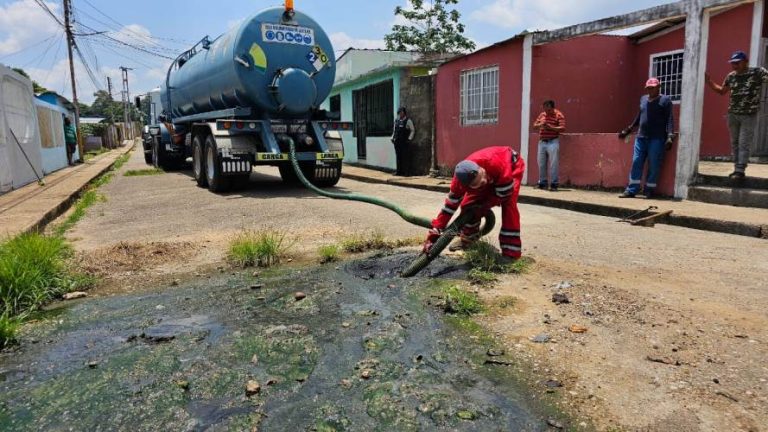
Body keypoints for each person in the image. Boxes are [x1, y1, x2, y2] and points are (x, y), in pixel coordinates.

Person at [423, 146, 526, 262]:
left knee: (509, 205)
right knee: (467, 206)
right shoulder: (458, 185)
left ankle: (511, 253)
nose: (485, 182)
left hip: (512, 166)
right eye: (480, 185)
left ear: (481, 169)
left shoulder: (495, 164)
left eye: (484, 178)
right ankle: (468, 240)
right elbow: (448, 208)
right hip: (491, 172)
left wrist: (484, 207)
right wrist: (434, 233)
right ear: (466, 187)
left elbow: (504, 194)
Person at [705, 50, 768, 179]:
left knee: (744, 142)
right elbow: (722, 91)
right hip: (733, 114)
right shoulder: (731, 76)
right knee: (735, 143)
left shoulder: (757, 72)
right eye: (733, 63)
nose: (734, 65)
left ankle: (740, 170)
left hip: (748, 114)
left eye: (737, 63)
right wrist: (709, 81)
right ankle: (736, 169)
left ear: (745, 62)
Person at [617, 78, 675, 199]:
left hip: (657, 138)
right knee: (636, 161)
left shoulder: (665, 100)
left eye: (653, 87)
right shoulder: (643, 99)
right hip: (641, 137)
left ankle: (649, 189)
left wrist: (670, 136)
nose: (650, 90)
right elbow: (639, 116)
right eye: (648, 88)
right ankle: (632, 189)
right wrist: (629, 128)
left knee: (654, 164)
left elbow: (669, 119)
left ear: (659, 87)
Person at [532, 100, 566, 191]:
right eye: (545, 108)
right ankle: (542, 183)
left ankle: (554, 184)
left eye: (548, 109)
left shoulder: (559, 115)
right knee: (541, 163)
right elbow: (534, 126)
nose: (546, 111)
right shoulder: (542, 115)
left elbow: (562, 128)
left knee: (553, 163)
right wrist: (540, 125)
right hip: (542, 142)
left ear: (552, 107)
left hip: (553, 141)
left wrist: (550, 127)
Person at [391, 106, 415, 176]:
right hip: (397, 142)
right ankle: (399, 171)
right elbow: (394, 131)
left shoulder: (408, 121)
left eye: (401, 113)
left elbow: (412, 130)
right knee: (398, 157)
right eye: (399, 113)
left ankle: (406, 172)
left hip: (404, 142)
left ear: (404, 113)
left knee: (405, 157)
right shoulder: (396, 121)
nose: (400, 114)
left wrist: (409, 139)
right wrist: (392, 138)